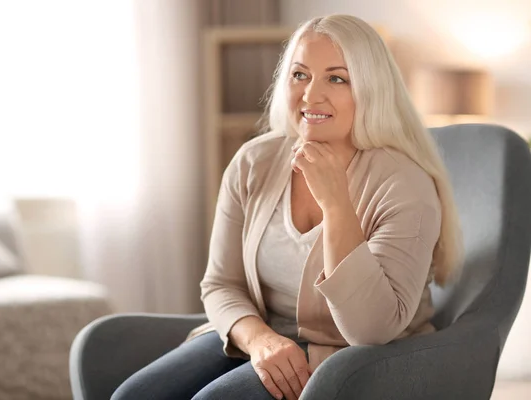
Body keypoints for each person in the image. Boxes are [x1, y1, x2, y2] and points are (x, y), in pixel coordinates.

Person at [111, 14, 463, 400]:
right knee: (133, 395)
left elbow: (371, 330)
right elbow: (221, 284)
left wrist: (337, 205)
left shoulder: (405, 184)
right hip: (259, 339)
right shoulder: (253, 162)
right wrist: (261, 341)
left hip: (355, 359)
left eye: (337, 78)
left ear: (370, 89)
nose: (311, 95)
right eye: (300, 75)